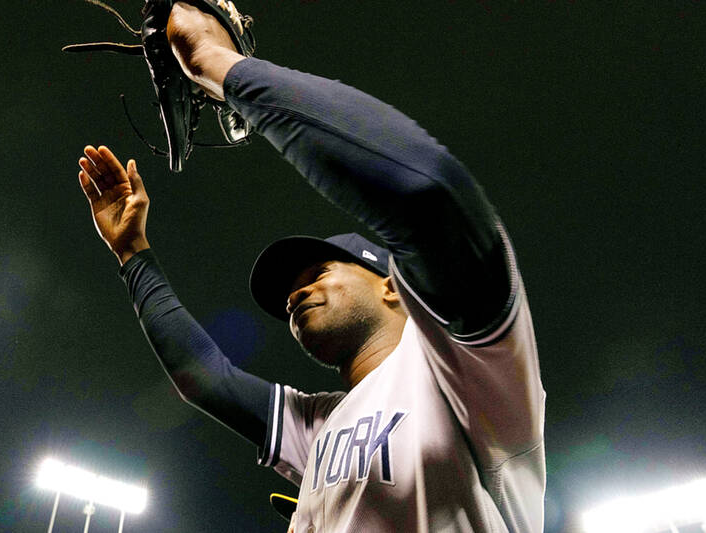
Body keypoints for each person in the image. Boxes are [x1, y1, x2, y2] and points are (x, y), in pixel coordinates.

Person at [76, 3, 546, 531]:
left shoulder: (465, 370)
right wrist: (133, 253)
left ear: (394, 288)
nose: (295, 295)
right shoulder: (318, 423)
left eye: (318, 273)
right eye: (291, 291)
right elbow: (204, 377)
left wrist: (217, 62)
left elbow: (429, 193)